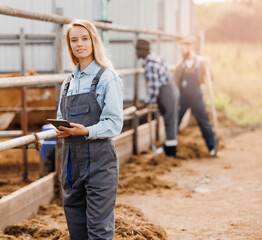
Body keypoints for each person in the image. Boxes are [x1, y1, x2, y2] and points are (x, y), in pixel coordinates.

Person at [55, 19, 123, 240]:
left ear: (94, 41)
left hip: (99, 159)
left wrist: (86, 131)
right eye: (74, 40)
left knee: (98, 229)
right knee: (76, 224)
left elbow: (114, 123)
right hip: (71, 160)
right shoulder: (68, 82)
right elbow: (59, 117)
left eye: (84, 39)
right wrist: (61, 129)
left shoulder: (106, 77)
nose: (79, 44)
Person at [135, 39, 179, 157]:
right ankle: (170, 150)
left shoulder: (150, 65)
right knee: (170, 121)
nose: (135, 52)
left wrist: (146, 103)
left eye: (137, 50)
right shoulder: (156, 58)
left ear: (142, 50)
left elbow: (154, 89)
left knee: (169, 122)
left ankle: (171, 153)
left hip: (166, 93)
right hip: (171, 90)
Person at [174, 38, 217, 156]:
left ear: (189, 48)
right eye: (180, 49)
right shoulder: (180, 65)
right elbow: (175, 83)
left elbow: (211, 77)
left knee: (204, 122)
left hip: (196, 97)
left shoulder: (200, 62)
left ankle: (212, 147)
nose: (182, 51)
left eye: (184, 48)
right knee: (175, 121)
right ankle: (170, 147)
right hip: (183, 98)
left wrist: (209, 66)